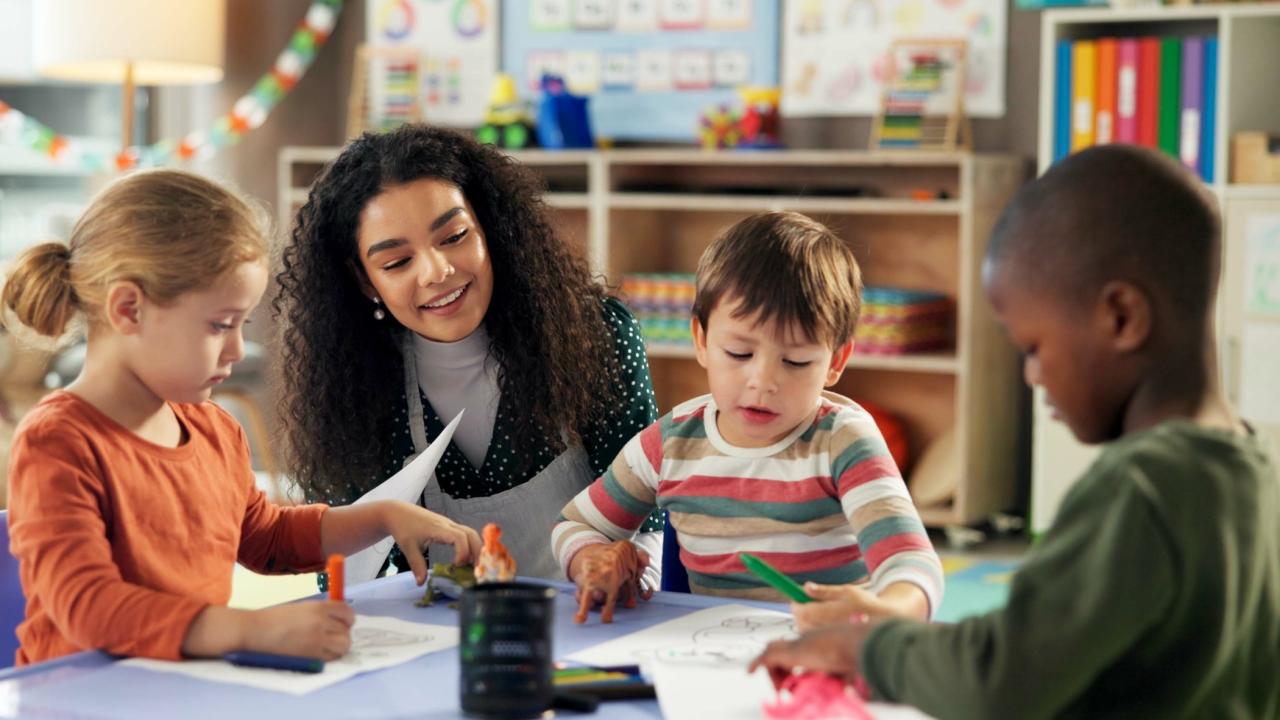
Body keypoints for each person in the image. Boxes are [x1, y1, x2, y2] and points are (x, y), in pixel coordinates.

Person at [750, 146, 1280, 718]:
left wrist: (866, 649)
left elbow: (999, 678)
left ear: (1121, 318)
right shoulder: (1249, 467)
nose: (1031, 374)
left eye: (1034, 347)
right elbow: (1057, 638)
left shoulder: (1142, 487)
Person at [2, 169, 481, 667]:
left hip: (180, 692)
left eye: (241, 323)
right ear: (129, 309)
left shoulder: (213, 429)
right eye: (219, 325)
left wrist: (381, 517)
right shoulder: (57, 440)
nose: (236, 349)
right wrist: (249, 629)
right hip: (74, 697)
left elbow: (266, 539)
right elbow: (87, 607)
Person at [274, 124, 663, 583]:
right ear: (364, 281)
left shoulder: (598, 336)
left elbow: (646, 513)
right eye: (398, 262)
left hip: (595, 619)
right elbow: (347, 570)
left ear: (489, 229)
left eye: (455, 236)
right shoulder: (354, 390)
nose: (438, 272)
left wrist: (626, 577)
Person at [553, 211, 944, 623]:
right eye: (739, 353)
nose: (763, 381)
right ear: (702, 340)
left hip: (825, 655)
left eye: (795, 361)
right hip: (711, 658)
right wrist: (591, 561)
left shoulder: (843, 441)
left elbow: (913, 566)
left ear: (836, 361)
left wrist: (887, 610)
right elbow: (572, 525)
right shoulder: (669, 444)